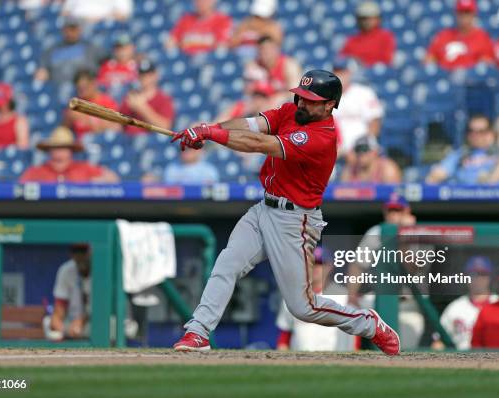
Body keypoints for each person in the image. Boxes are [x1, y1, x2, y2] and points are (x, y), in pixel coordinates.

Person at [171, 70, 400, 355]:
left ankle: (368, 323)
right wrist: (209, 129)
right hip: (263, 208)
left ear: (329, 105)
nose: (302, 103)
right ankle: (198, 332)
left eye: (310, 100)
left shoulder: (322, 137)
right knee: (226, 264)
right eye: (300, 96)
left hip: (296, 220)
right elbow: (250, 126)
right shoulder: (291, 110)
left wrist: (211, 134)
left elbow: (258, 144)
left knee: (303, 307)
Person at [346, 194, 423, 350]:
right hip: (380, 305)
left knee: (404, 351)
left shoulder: (417, 232)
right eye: (390, 210)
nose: (393, 215)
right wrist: (352, 296)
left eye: (398, 210)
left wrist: (401, 237)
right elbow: (357, 265)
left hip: (408, 307)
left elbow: (412, 268)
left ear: (407, 211)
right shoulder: (376, 231)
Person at [276, 246, 359, 351]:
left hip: (333, 362)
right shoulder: (292, 297)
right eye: (311, 263)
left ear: (329, 266)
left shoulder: (344, 297)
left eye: (320, 263)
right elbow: (284, 334)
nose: (315, 267)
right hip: (299, 361)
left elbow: (355, 335)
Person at [435, 256, 498, 350]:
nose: (478, 278)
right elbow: (438, 342)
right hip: (460, 360)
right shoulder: (454, 307)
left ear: (490, 277)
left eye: (482, 273)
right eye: (473, 274)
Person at [19, 126, 120, 183]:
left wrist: (93, 184)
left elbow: (113, 179)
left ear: (71, 150)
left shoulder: (84, 168)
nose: (59, 151)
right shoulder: (36, 172)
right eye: (55, 147)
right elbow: (20, 187)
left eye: (63, 147)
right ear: (49, 149)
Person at [426, 114, 499, 184]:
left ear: (490, 133)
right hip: (465, 194)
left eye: (481, 131)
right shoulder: (460, 154)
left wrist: (490, 180)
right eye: (471, 131)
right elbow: (436, 176)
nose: (475, 135)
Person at [332, 58, 384, 153]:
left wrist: (364, 145)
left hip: (363, 148)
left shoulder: (364, 92)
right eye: (336, 72)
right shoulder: (326, 96)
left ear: (349, 73)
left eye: (342, 72)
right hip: (337, 150)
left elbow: (375, 122)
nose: (339, 75)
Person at [425, 0, 493, 70]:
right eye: (461, 12)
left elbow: (487, 63)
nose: (464, 16)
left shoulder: (482, 37)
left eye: (467, 12)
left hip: (470, 79)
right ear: (456, 14)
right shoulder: (444, 35)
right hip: (446, 76)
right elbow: (428, 59)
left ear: (474, 14)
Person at [34, 17, 102, 87]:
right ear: (62, 30)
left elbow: (107, 65)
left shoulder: (91, 48)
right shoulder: (52, 50)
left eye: (73, 29)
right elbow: (42, 71)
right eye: (67, 29)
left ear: (79, 30)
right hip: (57, 89)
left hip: (83, 90)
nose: (69, 32)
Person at [43, 244, 92, 340]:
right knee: (48, 322)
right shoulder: (66, 270)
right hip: (72, 324)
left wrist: (81, 321)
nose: (79, 254)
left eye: (83, 250)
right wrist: (56, 320)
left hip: (95, 323)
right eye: (75, 250)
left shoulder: (102, 268)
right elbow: (60, 307)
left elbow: (101, 309)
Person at [119, 59, 175, 134]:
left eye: (149, 74)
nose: (145, 78)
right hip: (128, 139)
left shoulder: (163, 98)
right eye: (142, 74)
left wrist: (142, 108)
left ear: (155, 75)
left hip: (151, 141)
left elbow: (165, 127)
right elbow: (118, 122)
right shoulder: (131, 96)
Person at [243, 35, 302, 106]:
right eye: (261, 50)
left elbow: (295, 94)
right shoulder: (254, 66)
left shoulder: (288, 65)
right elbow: (248, 94)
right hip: (260, 105)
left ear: (275, 49)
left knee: (276, 102)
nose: (265, 53)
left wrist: (278, 97)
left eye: (268, 49)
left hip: (282, 104)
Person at [63, 69, 120, 139]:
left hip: (100, 142)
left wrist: (86, 119)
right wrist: (69, 116)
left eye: (84, 88)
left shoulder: (107, 102)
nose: (82, 92)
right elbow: (65, 127)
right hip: (80, 144)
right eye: (79, 88)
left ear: (94, 84)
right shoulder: (76, 103)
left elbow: (116, 128)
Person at [165, 0, 232, 55]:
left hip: (210, 61)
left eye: (204, 1)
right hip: (187, 60)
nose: (201, 3)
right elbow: (170, 42)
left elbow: (222, 45)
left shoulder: (222, 20)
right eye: (198, 1)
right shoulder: (185, 19)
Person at [339, 1, 396, 66]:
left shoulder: (386, 37)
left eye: (370, 18)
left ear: (378, 19)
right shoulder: (352, 40)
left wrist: (363, 63)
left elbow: (386, 61)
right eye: (363, 18)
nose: (366, 21)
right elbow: (342, 60)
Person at [97, 33, 140, 99]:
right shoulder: (106, 66)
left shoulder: (138, 67)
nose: (122, 51)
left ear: (132, 48)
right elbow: (100, 86)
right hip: (108, 103)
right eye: (118, 48)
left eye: (125, 48)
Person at [61, 0, 133, 24]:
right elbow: (64, 13)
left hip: (105, 27)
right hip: (78, 26)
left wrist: (98, 19)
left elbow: (124, 15)